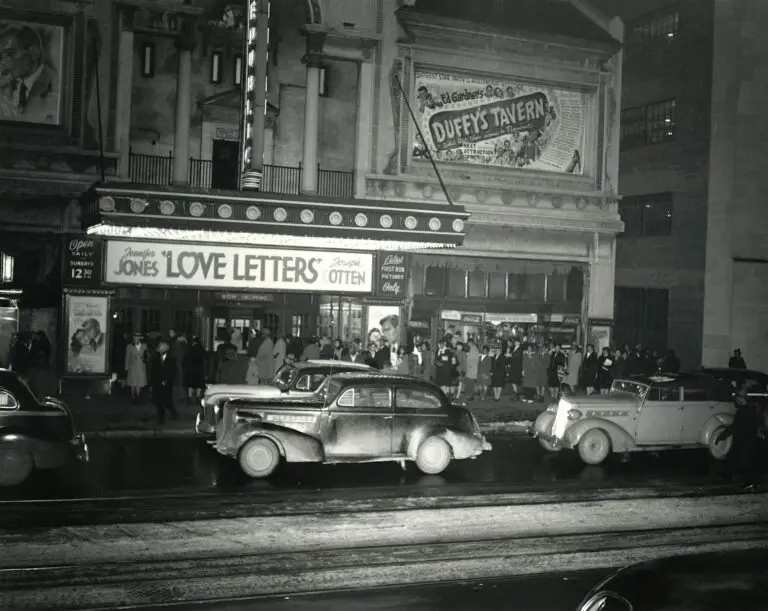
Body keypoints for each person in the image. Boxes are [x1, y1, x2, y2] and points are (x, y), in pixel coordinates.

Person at [719, 384, 764, 488]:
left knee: (745, 461)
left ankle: (750, 482)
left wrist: (725, 434)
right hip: (746, 439)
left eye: (737, 397)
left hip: (745, 440)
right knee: (739, 458)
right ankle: (734, 476)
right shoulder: (750, 409)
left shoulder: (745, 411)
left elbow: (737, 426)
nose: (736, 400)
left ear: (741, 398)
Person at [150, 342, 177, 424]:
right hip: (157, 383)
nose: (160, 351)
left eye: (162, 350)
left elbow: (173, 371)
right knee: (159, 403)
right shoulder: (155, 359)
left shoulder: (171, 359)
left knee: (167, 402)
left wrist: (167, 380)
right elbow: (153, 371)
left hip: (167, 384)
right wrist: (152, 383)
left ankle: (174, 413)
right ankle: (160, 420)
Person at [182, 336, 207, 402]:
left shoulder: (190, 349)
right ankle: (198, 397)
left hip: (191, 369)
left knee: (190, 384)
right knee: (199, 384)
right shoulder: (202, 350)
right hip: (199, 369)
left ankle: (190, 398)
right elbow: (205, 360)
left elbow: (185, 359)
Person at [125, 332, 148, 403]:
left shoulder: (144, 346)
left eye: (137, 338)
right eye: (134, 338)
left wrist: (145, 359)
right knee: (133, 382)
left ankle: (138, 396)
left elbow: (147, 355)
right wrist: (126, 367)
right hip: (133, 366)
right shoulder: (129, 346)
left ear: (140, 339)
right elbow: (127, 357)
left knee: (140, 382)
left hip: (141, 366)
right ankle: (133, 396)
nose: (135, 340)